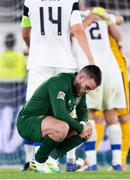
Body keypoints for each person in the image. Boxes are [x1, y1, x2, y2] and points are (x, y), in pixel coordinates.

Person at [21, 0, 95, 172]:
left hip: (39, 63)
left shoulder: (29, 1)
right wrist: (90, 59)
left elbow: (25, 32)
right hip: (64, 61)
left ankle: (39, 161)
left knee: (38, 112)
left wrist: (35, 48)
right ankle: (70, 160)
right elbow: (77, 29)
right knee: (71, 112)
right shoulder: (71, 1)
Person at [67, 2, 127, 171]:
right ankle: (117, 163)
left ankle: (92, 163)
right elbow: (120, 23)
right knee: (111, 114)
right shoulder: (99, 14)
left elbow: (72, 33)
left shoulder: (73, 17)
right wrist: (105, 15)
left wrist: (93, 17)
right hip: (111, 68)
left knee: (90, 115)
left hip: (90, 68)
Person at [16, 65, 102, 173]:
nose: (87, 91)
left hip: (47, 122)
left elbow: (83, 110)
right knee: (62, 127)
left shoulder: (80, 89)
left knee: (89, 128)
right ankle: (38, 161)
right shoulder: (60, 82)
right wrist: (80, 128)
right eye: (88, 87)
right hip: (28, 121)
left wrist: (83, 124)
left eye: (91, 89)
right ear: (81, 77)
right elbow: (60, 114)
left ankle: (51, 158)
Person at [0, 33, 26, 154]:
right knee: (18, 118)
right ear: (14, 43)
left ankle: (4, 146)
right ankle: (13, 146)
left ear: (5, 43)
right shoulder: (19, 57)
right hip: (17, 91)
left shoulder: (1, 57)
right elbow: (22, 75)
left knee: (6, 118)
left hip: (4, 91)